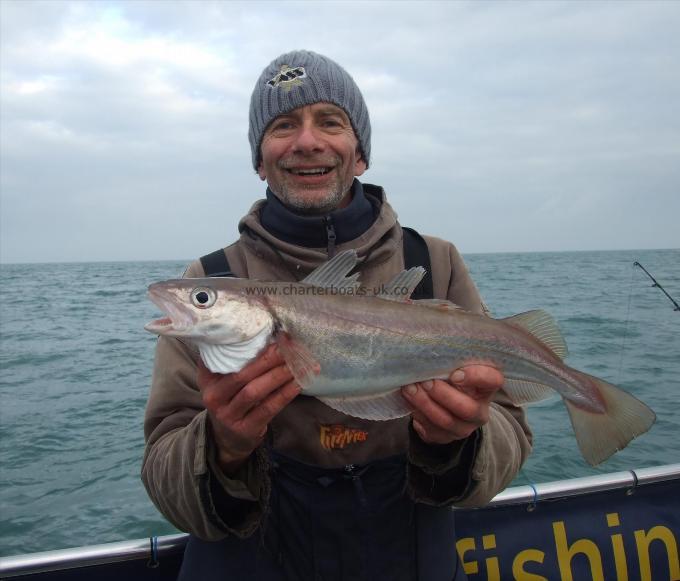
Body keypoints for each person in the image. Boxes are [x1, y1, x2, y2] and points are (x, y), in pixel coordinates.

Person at [142, 50, 532, 581]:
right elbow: (164, 475)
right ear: (259, 159)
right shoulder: (209, 275)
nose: (307, 141)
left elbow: (510, 433)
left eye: (330, 121)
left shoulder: (435, 262)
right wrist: (222, 448)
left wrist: (459, 443)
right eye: (282, 126)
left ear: (360, 152)